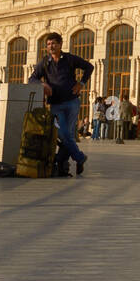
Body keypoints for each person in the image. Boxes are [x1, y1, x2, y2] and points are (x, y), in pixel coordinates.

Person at [27, 32, 93, 177]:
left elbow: (89, 67)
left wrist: (81, 84)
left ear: (60, 44)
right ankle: (79, 157)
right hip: (56, 105)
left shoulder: (69, 59)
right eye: (49, 44)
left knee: (67, 135)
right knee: (63, 134)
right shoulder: (45, 62)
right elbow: (32, 78)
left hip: (72, 102)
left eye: (54, 43)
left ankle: (62, 164)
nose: (51, 46)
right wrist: (43, 84)